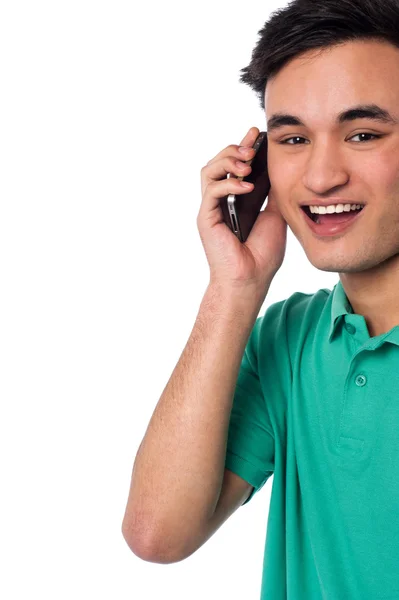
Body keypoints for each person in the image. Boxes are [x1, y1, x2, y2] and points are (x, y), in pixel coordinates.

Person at [121, 0, 399, 597]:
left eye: (363, 134)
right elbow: (157, 534)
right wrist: (234, 287)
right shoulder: (289, 338)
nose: (322, 177)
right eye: (293, 137)